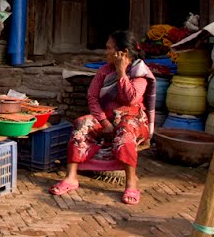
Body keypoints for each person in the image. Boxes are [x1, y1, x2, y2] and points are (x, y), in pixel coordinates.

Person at [50, 30, 155, 205]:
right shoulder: (104, 71)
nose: (105, 52)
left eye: (109, 48)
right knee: (81, 124)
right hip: (106, 117)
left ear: (123, 52)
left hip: (133, 119)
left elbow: (132, 99)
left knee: (126, 131)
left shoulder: (139, 72)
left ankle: (131, 183)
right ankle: (71, 177)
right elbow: (92, 97)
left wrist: (122, 73)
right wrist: (104, 121)